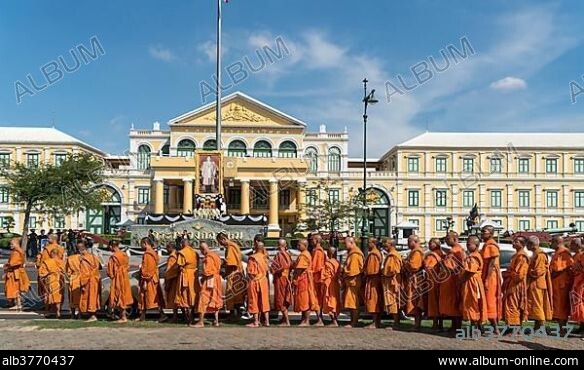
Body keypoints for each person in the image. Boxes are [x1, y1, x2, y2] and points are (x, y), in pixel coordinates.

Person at [526, 236, 553, 331]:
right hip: (535, 283)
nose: (526, 246)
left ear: (531, 244)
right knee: (535, 305)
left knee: (538, 305)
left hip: (537, 284)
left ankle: (541, 327)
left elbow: (538, 271)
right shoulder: (535, 254)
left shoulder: (540, 255)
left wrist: (528, 271)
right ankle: (537, 326)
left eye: (527, 244)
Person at [460, 235, 487, 331]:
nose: (467, 246)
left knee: (473, 304)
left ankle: (474, 328)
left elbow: (470, 271)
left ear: (476, 245)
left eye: (469, 244)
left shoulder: (474, 257)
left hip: (472, 283)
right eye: (466, 244)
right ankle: (477, 327)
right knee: (471, 303)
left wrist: (462, 279)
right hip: (470, 282)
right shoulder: (471, 255)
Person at [439, 231, 465, 331]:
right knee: (452, 303)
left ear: (454, 239)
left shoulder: (456, 251)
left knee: (455, 303)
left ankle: (456, 326)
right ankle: (454, 325)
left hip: (454, 280)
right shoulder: (453, 250)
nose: (446, 240)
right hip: (450, 280)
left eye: (448, 238)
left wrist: (444, 265)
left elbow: (457, 266)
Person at [136, 237, 166, 322]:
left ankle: (162, 315)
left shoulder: (148, 254)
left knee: (153, 298)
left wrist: (145, 280)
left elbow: (148, 268)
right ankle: (142, 316)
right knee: (144, 297)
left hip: (149, 280)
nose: (141, 246)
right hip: (151, 278)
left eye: (141, 244)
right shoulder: (153, 253)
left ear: (145, 243)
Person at [501, 236, 529, 328]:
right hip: (512, 282)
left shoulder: (522, 257)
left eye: (516, 242)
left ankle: (515, 328)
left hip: (516, 284)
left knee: (514, 305)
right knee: (511, 304)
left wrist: (510, 273)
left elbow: (520, 275)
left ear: (522, 244)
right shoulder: (516, 255)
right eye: (513, 241)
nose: (513, 243)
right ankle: (511, 326)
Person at [194, 241, 222, 327]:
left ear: (202, 250)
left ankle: (201, 321)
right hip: (217, 279)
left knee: (204, 298)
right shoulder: (215, 255)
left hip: (210, 279)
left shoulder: (208, 257)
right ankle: (216, 321)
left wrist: (203, 278)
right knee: (215, 298)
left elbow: (207, 271)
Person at [550, 235, 574, 334]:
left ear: (557, 242)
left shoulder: (563, 252)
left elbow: (561, 268)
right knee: (559, 306)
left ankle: (562, 329)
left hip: (562, 284)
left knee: (561, 307)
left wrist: (551, 275)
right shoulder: (558, 252)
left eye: (552, 242)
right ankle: (561, 328)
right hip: (557, 283)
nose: (551, 244)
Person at [480, 225, 502, 334]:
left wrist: (487, 279)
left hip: (491, 277)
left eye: (484, 232)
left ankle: (496, 328)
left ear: (491, 234)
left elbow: (492, 263)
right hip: (486, 276)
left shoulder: (491, 245)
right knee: (485, 301)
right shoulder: (486, 245)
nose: (481, 233)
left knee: (489, 301)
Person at [217, 233, 245, 319]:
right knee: (236, 294)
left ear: (224, 239)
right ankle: (236, 313)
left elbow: (231, 263)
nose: (220, 244)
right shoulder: (233, 246)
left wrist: (221, 263)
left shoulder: (231, 247)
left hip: (233, 273)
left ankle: (234, 313)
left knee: (231, 293)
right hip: (237, 273)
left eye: (220, 242)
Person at [292, 239, 318, 326]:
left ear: (305, 246)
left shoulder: (304, 255)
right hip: (303, 279)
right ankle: (303, 319)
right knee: (302, 299)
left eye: (299, 245)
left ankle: (307, 321)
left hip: (304, 279)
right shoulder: (304, 254)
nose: (297, 246)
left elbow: (299, 269)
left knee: (305, 299)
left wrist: (295, 278)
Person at [106, 240, 133, 323]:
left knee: (119, 296)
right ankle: (122, 316)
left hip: (117, 278)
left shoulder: (114, 257)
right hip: (124, 277)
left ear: (111, 246)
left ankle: (123, 317)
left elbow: (110, 272)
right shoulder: (124, 254)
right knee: (123, 296)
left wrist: (112, 275)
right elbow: (128, 266)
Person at [246, 241, 270, 327]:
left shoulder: (252, 258)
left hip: (254, 280)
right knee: (264, 300)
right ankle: (267, 321)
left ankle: (256, 322)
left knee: (254, 300)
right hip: (263, 280)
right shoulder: (265, 258)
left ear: (255, 247)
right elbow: (267, 270)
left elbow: (251, 272)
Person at [402, 235, 424, 330]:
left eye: (409, 242)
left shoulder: (417, 252)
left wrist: (404, 262)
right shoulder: (414, 252)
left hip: (416, 279)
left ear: (414, 242)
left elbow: (414, 266)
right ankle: (416, 323)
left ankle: (417, 324)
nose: (407, 244)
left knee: (415, 301)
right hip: (413, 278)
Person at [175, 240, 199, 326]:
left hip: (185, 276)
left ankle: (188, 320)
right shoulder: (194, 252)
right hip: (193, 276)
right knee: (192, 296)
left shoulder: (182, 252)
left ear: (182, 244)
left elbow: (180, 265)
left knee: (184, 297)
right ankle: (192, 318)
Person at [342, 236, 364, 328]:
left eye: (345, 243)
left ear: (351, 242)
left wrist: (344, 271)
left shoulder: (355, 254)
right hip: (351, 282)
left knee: (353, 302)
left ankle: (354, 322)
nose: (344, 245)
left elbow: (353, 271)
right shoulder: (352, 253)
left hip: (353, 282)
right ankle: (352, 321)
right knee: (351, 302)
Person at [3, 237, 30, 310]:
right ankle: (12, 303)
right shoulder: (18, 251)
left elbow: (13, 263)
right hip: (16, 272)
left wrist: (7, 265)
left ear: (16, 244)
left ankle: (18, 304)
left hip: (15, 273)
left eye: (12, 244)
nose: (10, 245)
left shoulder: (17, 252)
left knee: (15, 288)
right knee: (13, 288)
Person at [271, 238, 292, 326]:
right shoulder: (288, 254)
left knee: (281, 299)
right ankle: (284, 319)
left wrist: (273, 270)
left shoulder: (280, 255)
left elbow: (281, 267)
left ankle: (287, 321)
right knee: (284, 298)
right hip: (286, 278)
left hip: (281, 278)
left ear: (279, 245)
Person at [381, 238, 402, 329]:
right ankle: (395, 322)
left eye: (386, 243)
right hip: (389, 280)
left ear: (392, 245)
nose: (384, 245)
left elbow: (394, 270)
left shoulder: (393, 255)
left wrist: (384, 272)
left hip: (392, 281)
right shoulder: (391, 255)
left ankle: (396, 323)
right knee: (391, 301)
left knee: (393, 301)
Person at [78, 241, 101, 322]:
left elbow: (85, 273)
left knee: (89, 298)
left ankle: (93, 316)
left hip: (89, 281)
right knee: (94, 297)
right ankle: (92, 314)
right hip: (95, 279)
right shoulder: (93, 256)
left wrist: (83, 284)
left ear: (80, 250)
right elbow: (98, 267)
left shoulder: (84, 260)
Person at [424, 238, 444, 331]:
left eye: (431, 243)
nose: (429, 245)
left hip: (433, 281)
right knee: (439, 303)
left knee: (434, 304)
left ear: (436, 244)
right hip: (441, 280)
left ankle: (436, 324)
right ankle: (440, 324)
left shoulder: (433, 255)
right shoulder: (442, 254)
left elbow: (428, 267)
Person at [363, 238, 383, 329]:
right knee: (376, 300)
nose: (367, 244)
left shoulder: (373, 254)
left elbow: (371, 270)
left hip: (373, 281)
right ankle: (376, 322)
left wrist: (365, 272)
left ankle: (375, 322)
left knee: (373, 300)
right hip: (375, 280)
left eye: (369, 242)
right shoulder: (377, 253)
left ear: (374, 244)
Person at [38, 249, 64, 318]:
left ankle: (47, 311)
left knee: (47, 295)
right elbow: (64, 271)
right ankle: (58, 311)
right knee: (58, 296)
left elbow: (41, 273)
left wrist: (47, 273)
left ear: (51, 254)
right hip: (59, 280)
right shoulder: (61, 262)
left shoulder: (47, 262)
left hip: (50, 279)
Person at [321, 247, 341, 327]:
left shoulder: (327, 263)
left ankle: (334, 321)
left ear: (329, 254)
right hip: (336, 283)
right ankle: (335, 319)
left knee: (329, 300)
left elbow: (324, 275)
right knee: (335, 300)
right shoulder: (337, 262)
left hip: (329, 283)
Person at [569, 238, 584, 334]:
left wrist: (578, 267)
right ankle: (581, 326)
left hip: (582, 282)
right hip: (577, 282)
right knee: (578, 304)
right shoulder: (577, 256)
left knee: (581, 303)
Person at [310, 233, 325, 326]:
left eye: (312, 240)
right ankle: (320, 319)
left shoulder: (318, 251)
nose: (311, 241)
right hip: (316, 277)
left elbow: (316, 266)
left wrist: (309, 272)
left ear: (317, 240)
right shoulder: (315, 250)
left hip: (317, 278)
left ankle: (320, 320)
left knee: (316, 299)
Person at [164, 242, 180, 323]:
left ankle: (175, 317)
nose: (166, 249)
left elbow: (170, 271)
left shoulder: (172, 257)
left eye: (167, 247)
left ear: (171, 247)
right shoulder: (177, 255)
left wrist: (168, 283)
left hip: (173, 280)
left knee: (174, 299)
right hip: (176, 280)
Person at [65, 246, 81, 319]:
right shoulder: (83, 257)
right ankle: (80, 314)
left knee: (72, 297)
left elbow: (68, 271)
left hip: (74, 278)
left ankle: (73, 314)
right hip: (83, 278)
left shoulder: (70, 258)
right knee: (81, 297)